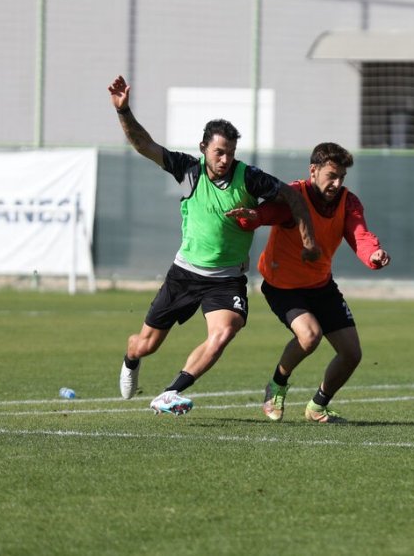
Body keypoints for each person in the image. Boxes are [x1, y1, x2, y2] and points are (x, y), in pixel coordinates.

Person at [107, 75, 321, 415]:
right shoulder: (188, 171)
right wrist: (124, 111)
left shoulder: (249, 176)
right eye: (219, 152)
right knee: (145, 344)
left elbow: (292, 198)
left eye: (230, 153)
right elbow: (144, 145)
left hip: (226, 280)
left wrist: (307, 242)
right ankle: (131, 358)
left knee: (224, 332)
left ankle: (170, 393)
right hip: (184, 274)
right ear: (203, 148)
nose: (225, 159)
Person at [228, 142, 390, 423]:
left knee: (351, 354)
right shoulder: (294, 195)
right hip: (283, 286)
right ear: (313, 170)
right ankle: (276, 386)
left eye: (342, 177)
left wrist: (373, 254)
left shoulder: (348, 202)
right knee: (310, 335)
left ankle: (317, 406)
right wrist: (252, 218)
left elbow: (360, 235)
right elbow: (268, 213)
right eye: (332, 176)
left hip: (320, 285)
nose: (337, 184)